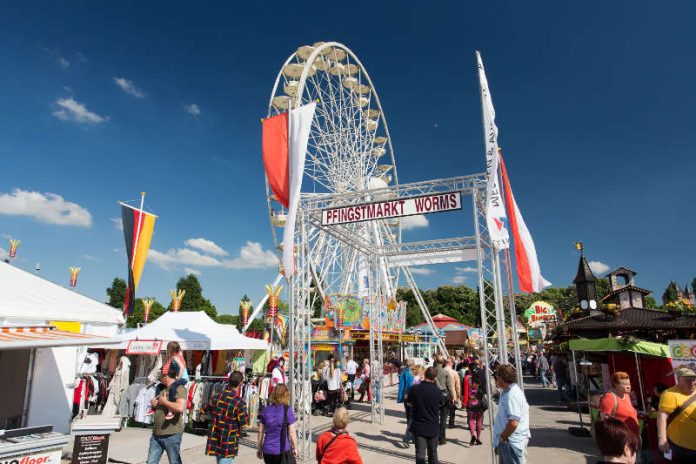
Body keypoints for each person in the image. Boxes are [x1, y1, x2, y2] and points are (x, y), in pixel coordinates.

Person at [203, 371, 249, 464]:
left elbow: (203, 410)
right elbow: (244, 423)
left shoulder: (216, 397)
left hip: (216, 437)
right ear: (240, 383)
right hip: (229, 441)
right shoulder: (239, 402)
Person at [146, 371, 187, 464]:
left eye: (161, 376)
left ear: (166, 376)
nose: (160, 378)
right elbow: (159, 407)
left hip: (172, 434)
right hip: (156, 434)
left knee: (174, 462)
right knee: (151, 462)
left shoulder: (179, 388)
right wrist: (154, 404)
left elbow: (180, 408)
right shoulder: (161, 388)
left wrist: (164, 402)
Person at [493, 364, 530, 464]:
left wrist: (503, 438)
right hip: (509, 441)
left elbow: (513, 422)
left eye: (496, 377)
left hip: (511, 442)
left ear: (501, 378)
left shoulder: (512, 395)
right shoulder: (507, 392)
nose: (495, 379)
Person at [657, 367, 696, 462]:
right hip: (681, 446)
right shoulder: (669, 394)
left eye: (694, 380)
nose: (692, 383)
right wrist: (662, 439)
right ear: (678, 380)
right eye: (687, 381)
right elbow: (662, 416)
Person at [408, 366, 442, 464]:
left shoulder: (414, 389)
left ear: (425, 374)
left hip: (419, 426)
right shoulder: (437, 391)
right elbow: (441, 404)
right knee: (433, 455)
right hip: (433, 426)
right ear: (435, 378)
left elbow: (409, 403)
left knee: (420, 455)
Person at [257, 383, 299, 463]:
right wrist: (295, 447)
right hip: (282, 450)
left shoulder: (265, 410)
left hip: (267, 450)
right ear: (286, 395)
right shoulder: (288, 410)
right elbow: (292, 432)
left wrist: (259, 448)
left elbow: (261, 431)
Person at [149, 341, 188, 419]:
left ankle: (171, 410)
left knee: (173, 388)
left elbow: (182, 367)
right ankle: (154, 406)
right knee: (159, 386)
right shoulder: (176, 356)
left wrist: (178, 377)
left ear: (170, 350)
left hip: (183, 378)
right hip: (179, 377)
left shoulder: (175, 357)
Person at [434, 355, 455, 445]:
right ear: (443, 362)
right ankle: (442, 438)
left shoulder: (432, 371)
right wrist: (453, 397)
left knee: (434, 417)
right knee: (443, 418)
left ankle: (433, 437)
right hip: (444, 396)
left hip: (433, 395)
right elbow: (450, 386)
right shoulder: (446, 373)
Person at [463, 367, 485, 446]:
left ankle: (472, 435)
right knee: (479, 421)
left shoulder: (467, 379)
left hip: (470, 403)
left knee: (471, 420)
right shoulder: (480, 381)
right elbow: (484, 391)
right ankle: (478, 438)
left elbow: (464, 392)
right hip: (479, 404)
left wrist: (464, 402)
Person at [398, 358, 415, 448]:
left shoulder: (404, 373)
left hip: (406, 397)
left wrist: (400, 397)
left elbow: (401, 386)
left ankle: (412, 436)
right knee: (413, 418)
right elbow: (410, 386)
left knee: (409, 417)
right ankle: (409, 437)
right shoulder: (412, 373)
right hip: (412, 397)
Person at [445, 358, 460, 428]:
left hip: (442, 392)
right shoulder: (454, 373)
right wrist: (458, 395)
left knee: (443, 409)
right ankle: (451, 423)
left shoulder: (440, 372)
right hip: (452, 393)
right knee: (452, 409)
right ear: (452, 363)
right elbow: (457, 386)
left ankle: (442, 422)